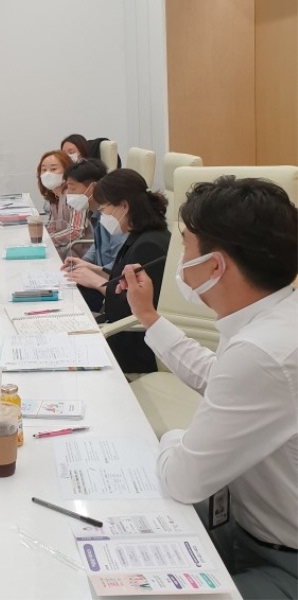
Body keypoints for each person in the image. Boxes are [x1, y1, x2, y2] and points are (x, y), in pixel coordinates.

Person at [118, 176, 297, 599]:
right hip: (250, 525)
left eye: (186, 246)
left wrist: (172, 438)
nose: (180, 261)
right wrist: (148, 317)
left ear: (215, 265)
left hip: (282, 557)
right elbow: (219, 374)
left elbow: (183, 479)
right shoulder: (273, 320)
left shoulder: (261, 351)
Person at [66, 168, 170, 373]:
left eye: (104, 208)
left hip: (134, 344)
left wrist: (96, 282)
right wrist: (93, 268)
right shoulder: (141, 236)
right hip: (121, 328)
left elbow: (131, 306)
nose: (102, 214)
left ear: (124, 206)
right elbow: (123, 278)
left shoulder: (148, 245)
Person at [59, 159, 127, 311]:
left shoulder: (113, 218)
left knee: (67, 299)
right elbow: (96, 247)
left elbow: (119, 264)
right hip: (99, 277)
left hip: (110, 286)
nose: (69, 194)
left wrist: (91, 272)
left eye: (72, 188)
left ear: (93, 187)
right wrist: (83, 263)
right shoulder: (95, 213)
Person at [36, 150, 87, 253]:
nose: (47, 174)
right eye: (44, 170)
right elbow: (53, 226)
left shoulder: (75, 196)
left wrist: (48, 240)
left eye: (53, 169)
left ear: (67, 171)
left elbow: (76, 231)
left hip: (79, 254)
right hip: (62, 250)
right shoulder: (54, 197)